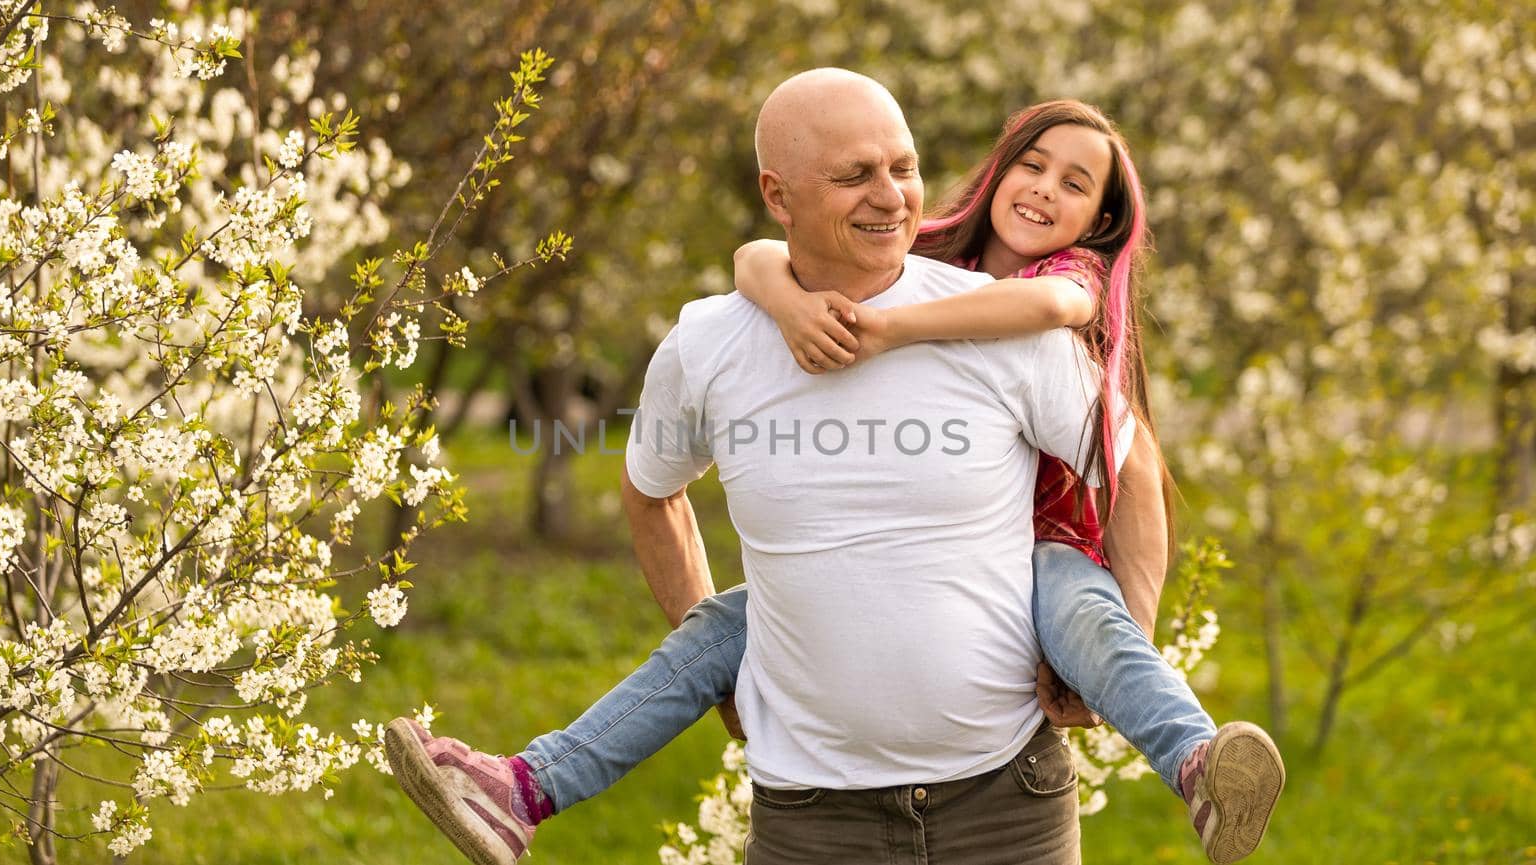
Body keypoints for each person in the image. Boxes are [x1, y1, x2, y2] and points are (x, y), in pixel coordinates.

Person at [384, 72, 1282, 865]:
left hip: (1010, 805)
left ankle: (1195, 760)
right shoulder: (716, 339)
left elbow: (1129, 469)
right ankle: (521, 791)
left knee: (1066, 592)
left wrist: (1126, 638)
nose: (890, 196)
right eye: (855, 174)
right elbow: (651, 488)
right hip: (813, 821)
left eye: (903, 166)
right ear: (778, 194)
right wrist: (732, 675)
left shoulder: (1016, 320)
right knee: (722, 627)